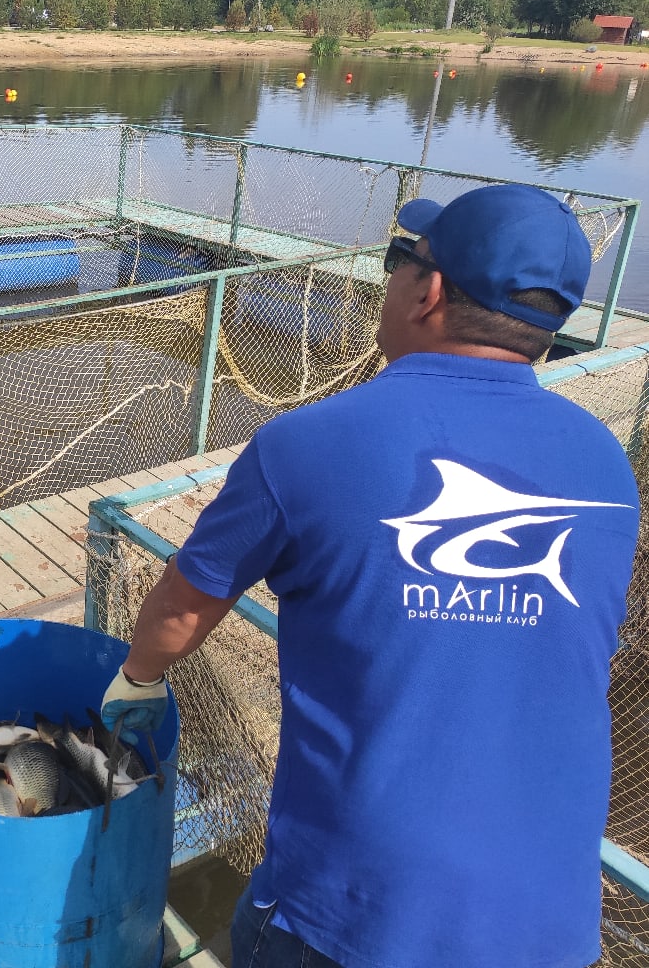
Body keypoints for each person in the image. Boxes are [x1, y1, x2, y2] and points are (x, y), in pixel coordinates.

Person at [101, 184, 640, 967]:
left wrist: (139, 680)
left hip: (352, 915)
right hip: (546, 924)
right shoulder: (604, 463)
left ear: (426, 292)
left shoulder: (306, 444)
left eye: (400, 261)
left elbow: (181, 612)